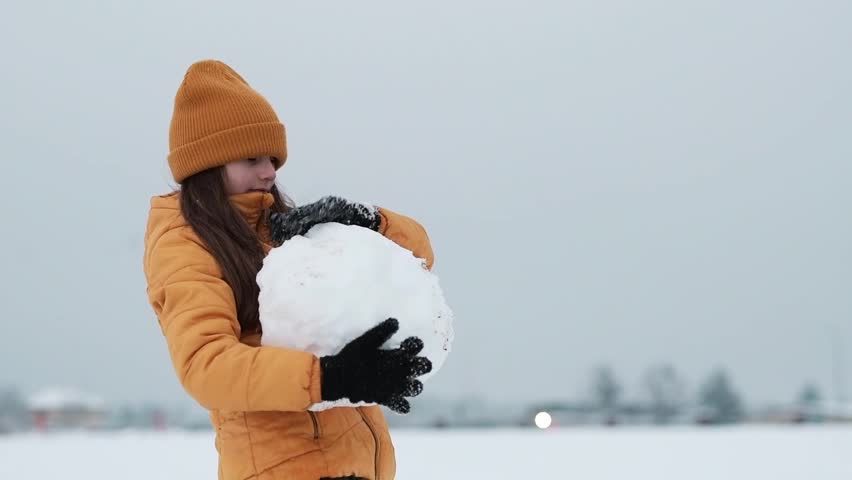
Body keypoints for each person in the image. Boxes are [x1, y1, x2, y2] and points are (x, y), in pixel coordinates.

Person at [143, 59, 435, 480]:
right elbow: (205, 364)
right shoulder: (186, 243)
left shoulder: (285, 228)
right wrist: (330, 379)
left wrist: (368, 221)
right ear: (208, 164)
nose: (269, 171)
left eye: (273, 159)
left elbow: (417, 263)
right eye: (251, 159)